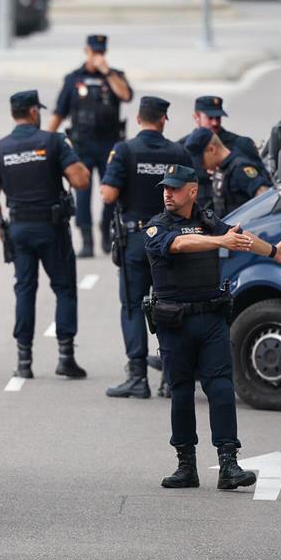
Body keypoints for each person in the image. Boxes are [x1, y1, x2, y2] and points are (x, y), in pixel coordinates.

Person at [144, 164, 281, 490]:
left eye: (174, 187)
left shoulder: (208, 220)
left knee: (220, 389)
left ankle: (229, 464)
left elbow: (239, 237)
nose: (167, 193)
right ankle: (186, 465)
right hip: (176, 323)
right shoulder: (157, 226)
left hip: (211, 320)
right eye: (165, 188)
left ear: (192, 190)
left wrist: (273, 251)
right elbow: (179, 246)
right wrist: (219, 241)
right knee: (182, 393)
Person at [0, 90, 90, 380]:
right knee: (64, 288)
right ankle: (65, 357)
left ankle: (24, 360)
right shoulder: (53, 142)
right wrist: (72, 153)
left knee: (24, 289)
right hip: (52, 228)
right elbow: (81, 181)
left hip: (18, 229)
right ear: (33, 112)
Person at [101, 97, 193, 399]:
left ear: (139, 118)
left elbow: (108, 195)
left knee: (132, 306)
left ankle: (138, 377)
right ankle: (170, 377)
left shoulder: (125, 150)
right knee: (170, 305)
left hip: (137, 240)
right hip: (171, 240)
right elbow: (191, 195)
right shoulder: (179, 152)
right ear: (164, 119)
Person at [48, 34, 133, 258]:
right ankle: (86, 239)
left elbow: (126, 95)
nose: (97, 56)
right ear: (86, 50)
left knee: (111, 192)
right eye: (94, 51)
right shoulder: (73, 79)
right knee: (82, 194)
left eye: (101, 52)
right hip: (82, 145)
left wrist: (107, 72)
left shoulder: (115, 77)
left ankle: (106, 230)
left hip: (110, 145)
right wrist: (45, 140)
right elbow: (59, 111)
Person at [184, 127, 272, 217]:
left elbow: (266, 197)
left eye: (201, 161)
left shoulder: (239, 167)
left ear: (212, 149)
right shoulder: (222, 169)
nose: (201, 165)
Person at [178, 96, 265, 172]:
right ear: (196, 117)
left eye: (218, 117)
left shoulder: (240, 144)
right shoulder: (183, 148)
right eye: (210, 118)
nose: (215, 123)